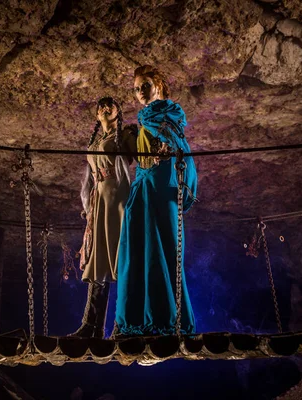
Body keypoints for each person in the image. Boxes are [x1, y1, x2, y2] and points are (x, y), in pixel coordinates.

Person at [114, 65, 198, 337]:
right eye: (136, 88)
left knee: (162, 247)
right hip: (143, 184)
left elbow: (178, 145)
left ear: (159, 85)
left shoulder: (166, 112)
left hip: (161, 183)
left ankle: (166, 320)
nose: (140, 92)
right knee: (137, 248)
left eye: (145, 85)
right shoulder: (144, 118)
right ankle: (138, 320)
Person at [70, 96, 136, 338]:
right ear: (97, 115)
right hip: (99, 203)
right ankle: (92, 326)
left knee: (120, 259)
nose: (105, 108)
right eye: (101, 106)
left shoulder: (125, 136)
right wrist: (88, 205)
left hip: (118, 200)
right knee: (98, 261)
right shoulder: (96, 142)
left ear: (119, 111)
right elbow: (90, 178)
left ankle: (123, 326)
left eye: (111, 105)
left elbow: (145, 158)